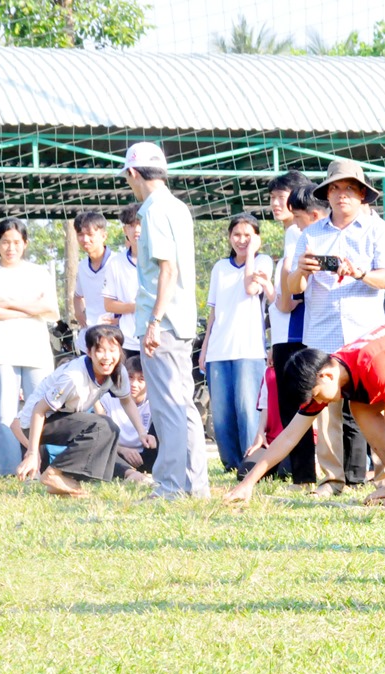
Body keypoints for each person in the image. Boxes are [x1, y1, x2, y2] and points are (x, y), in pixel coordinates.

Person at [224, 316, 385, 507]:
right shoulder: (327, 374)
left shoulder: (371, 362)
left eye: (317, 395)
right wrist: (248, 484)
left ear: (327, 376)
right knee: (360, 407)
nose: (319, 402)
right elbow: (289, 436)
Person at [290, 159, 385, 495]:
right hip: (322, 332)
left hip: (366, 334)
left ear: (362, 194)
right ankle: (332, 478)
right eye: (335, 188)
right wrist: (302, 271)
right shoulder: (310, 234)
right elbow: (293, 288)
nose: (341, 195)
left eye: (350, 188)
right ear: (326, 194)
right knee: (325, 409)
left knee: (377, 406)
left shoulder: (379, 230)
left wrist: (359, 272)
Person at [119, 141, 209, 500]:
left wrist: (154, 321)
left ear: (133, 173)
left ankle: (170, 486)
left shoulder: (154, 210)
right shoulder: (177, 207)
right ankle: (195, 485)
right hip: (180, 321)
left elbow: (167, 269)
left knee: (168, 407)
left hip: (164, 324)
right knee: (183, 406)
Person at [11, 325, 155, 497]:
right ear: (89, 352)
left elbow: (126, 401)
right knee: (102, 426)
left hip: (65, 416)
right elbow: (38, 410)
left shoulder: (118, 371)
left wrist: (142, 433)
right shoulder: (73, 377)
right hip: (34, 423)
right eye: (100, 350)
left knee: (109, 430)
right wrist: (32, 453)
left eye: (112, 350)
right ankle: (54, 473)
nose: (107, 357)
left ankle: (66, 478)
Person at [199, 213, 274, 472]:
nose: (242, 240)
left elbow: (251, 289)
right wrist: (205, 348)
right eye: (237, 235)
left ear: (257, 238)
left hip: (249, 349)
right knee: (221, 413)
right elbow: (213, 312)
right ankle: (230, 464)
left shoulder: (263, 261)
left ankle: (251, 461)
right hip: (218, 351)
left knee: (247, 409)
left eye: (247, 236)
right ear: (229, 237)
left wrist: (251, 254)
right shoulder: (220, 267)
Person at [0, 218, 59, 475]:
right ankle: (10, 471)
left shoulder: (39, 273)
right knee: (4, 415)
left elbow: (50, 309)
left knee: (43, 411)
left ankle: (43, 467)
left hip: (36, 352)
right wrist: (30, 308)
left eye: (16, 242)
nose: (11, 247)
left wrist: (7, 302)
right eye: (5, 242)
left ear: (25, 244)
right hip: (0, 352)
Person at [272, 181, 324, 487]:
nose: (277, 204)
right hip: (285, 335)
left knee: (299, 406)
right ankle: (303, 473)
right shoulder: (293, 234)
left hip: (297, 334)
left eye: (283, 198)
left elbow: (288, 299)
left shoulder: (300, 234)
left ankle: (304, 475)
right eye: (273, 198)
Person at [100, 355, 156, 484]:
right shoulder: (107, 400)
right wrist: (122, 450)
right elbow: (101, 438)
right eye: (130, 377)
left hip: (144, 454)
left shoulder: (154, 402)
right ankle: (130, 473)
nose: (134, 384)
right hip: (117, 452)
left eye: (141, 379)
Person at [102, 203, 142, 360]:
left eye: (140, 224)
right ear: (125, 230)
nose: (136, 230)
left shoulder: (161, 260)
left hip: (159, 340)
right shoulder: (115, 263)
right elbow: (109, 304)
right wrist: (137, 306)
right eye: (131, 225)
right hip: (128, 342)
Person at [72, 211, 115, 354]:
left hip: (115, 338)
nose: (85, 239)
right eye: (80, 234)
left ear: (104, 236)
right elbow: (78, 296)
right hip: (89, 339)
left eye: (90, 234)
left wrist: (118, 321)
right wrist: (80, 315)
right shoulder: (82, 266)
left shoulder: (117, 263)